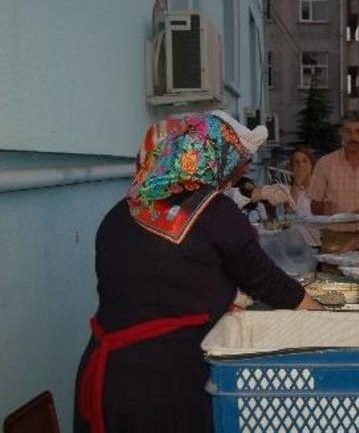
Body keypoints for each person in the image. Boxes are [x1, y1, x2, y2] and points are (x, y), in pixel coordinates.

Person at [73, 111, 321, 433]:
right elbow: (267, 282)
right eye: (234, 162)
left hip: (106, 375)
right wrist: (320, 314)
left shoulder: (121, 212)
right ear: (212, 159)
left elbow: (165, 285)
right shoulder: (216, 212)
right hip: (166, 383)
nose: (237, 173)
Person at [307, 111, 359, 252]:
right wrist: (326, 209)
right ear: (341, 132)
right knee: (331, 275)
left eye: (358, 131)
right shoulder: (325, 163)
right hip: (335, 237)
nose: (352, 137)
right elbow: (314, 206)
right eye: (348, 132)